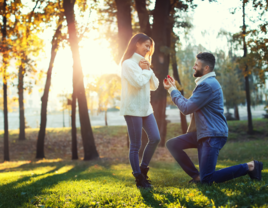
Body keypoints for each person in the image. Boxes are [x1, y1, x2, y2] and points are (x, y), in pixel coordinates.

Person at [163, 52, 263, 184]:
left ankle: (250, 166)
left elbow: (186, 108)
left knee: (208, 179)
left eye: (196, 65)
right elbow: (189, 105)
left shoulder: (207, 85)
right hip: (203, 132)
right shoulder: (205, 84)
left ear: (206, 68)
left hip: (212, 135)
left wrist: (172, 90)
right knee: (173, 144)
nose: (193, 67)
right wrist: (173, 89)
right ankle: (197, 176)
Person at [120, 33, 160, 188]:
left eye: (150, 46)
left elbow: (154, 85)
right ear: (137, 43)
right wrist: (147, 71)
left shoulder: (144, 64)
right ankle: (138, 178)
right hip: (133, 109)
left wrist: (148, 69)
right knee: (135, 145)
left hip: (146, 109)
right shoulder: (128, 64)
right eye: (146, 45)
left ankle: (143, 170)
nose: (148, 49)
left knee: (155, 138)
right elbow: (138, 82)